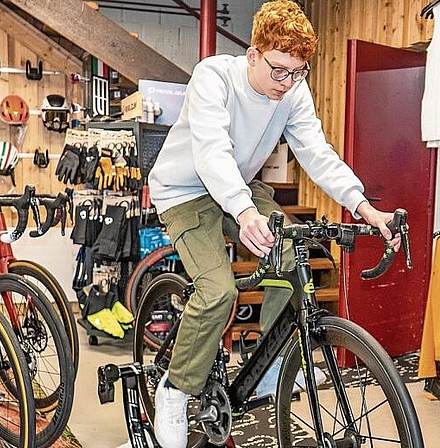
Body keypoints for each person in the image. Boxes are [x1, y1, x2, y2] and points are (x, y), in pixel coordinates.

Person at [147, 1, 401, 446]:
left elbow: (317, 154)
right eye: (280, 69)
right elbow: (211, 152)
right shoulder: (214, 76)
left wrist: (365, 208)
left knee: (292, 257)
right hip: (186, 191)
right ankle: (175, 389)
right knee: (219, 292)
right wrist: (244, 213)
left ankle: (270, 369)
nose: (288, 83)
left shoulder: (293, 92)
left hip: (237, 186)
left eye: (298, 72)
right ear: (252, 54)